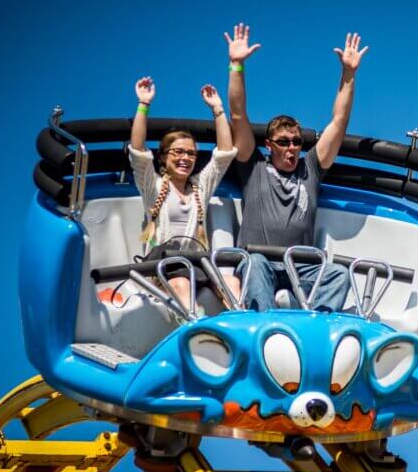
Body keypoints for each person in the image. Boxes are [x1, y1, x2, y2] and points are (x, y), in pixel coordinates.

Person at [225, 23, 363, 312]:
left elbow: (339, 122)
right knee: (256, 264)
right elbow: (237, 115)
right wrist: (236, 66)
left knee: (339, 275)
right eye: (284, 142)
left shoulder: (310, 168)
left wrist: (348, 74)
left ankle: (317, 331)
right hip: (259, 260)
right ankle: (262, 330)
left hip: (301, 267)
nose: (291, 148)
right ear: (269, 145)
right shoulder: (254, 168)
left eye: (297, 142)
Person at [128, 76, 240, 315]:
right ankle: (192, 332)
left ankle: (240, 329)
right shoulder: (154, 187)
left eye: (191, 154)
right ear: (163, 156)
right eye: (178, 152)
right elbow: (137, 152)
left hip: (197, 263)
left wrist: (218, 109)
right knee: (181, 283)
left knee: (232, 283)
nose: (185, 158)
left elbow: (224, 155)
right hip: (164, 266)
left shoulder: (199, 187)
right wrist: (143, 105)